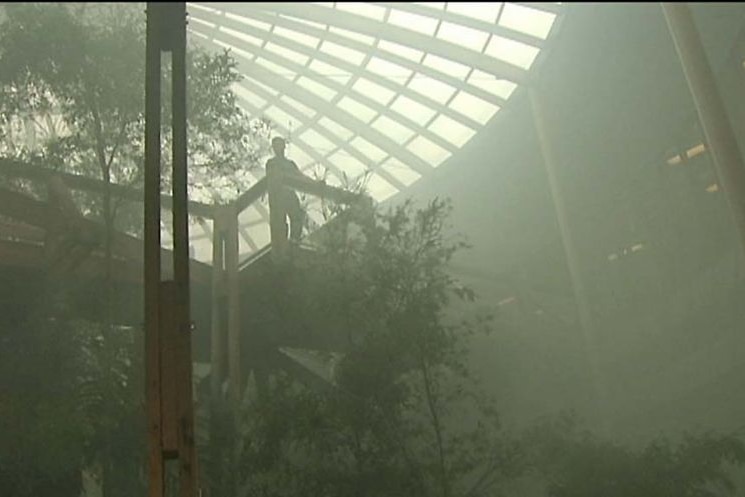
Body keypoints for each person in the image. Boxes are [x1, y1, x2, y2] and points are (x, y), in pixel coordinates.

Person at [266, 136, 306, 243]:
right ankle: (283, 243)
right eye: (275, 146)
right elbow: (272, 177)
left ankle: (294, 240)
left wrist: (315, 183)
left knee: (297, 217)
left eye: (280, 145)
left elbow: (300, 177)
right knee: (279, 224)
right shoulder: (271, 163)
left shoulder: (290, 164)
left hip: (289, 195)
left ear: (284, 147)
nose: (278, 148)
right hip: (277, 197)